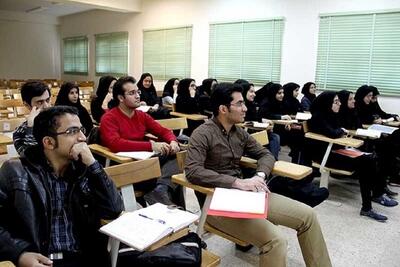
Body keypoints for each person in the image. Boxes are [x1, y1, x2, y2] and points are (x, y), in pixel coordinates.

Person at [185, 83, 332, 267]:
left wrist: (260, 176)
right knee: (276, 240)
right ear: (223, 109)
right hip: (216, 202)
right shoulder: (203, 134)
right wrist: (237, 182)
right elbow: (193, 171)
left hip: (247, 194)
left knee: (308, 216)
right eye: (239, 104)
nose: (245, 108)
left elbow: (266, 154)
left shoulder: (238, 132)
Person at [0, 106, 123, 267]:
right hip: (40, 259)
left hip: (84, 257)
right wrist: (20, 254)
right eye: (72, 131)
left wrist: (94, 165)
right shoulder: (15, 172)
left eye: (81, 130)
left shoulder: (84, 169)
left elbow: (114, 209)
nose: (83, 138)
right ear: (49, 142)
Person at [307, 91, 397, 221]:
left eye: (339, 101)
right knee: (367, 161)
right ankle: (368, 206)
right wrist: (340, 131)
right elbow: (333, 133)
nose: (339, 104)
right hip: (326, 157)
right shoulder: (318, 117)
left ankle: (375, 196)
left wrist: (340, 131)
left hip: (337, 152)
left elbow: (340, 131)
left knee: (371, 158)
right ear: (327, 103)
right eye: (336, 102)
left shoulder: (332, 116)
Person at [100, 76, 181, 206]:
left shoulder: (141, 115)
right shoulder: (109, 118)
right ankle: (161, 188)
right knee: (170, 175)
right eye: (132, 93)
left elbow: (163, 131)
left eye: (138, 92)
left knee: (179, 153)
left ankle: (161, 189)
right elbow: (115, 143)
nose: (137, 96)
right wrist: (151, 145)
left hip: (144, 162)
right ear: (121, 98)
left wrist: (173, 141)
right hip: (124, 167)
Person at [258, 83, 305, 164]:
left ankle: (296, 163)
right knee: (279, 137)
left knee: (299, 135)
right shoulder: (266, 102)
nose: (282, 95)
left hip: (280, 128)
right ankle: (272, 163)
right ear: (273, 93)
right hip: (271, 129)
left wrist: (286, 124)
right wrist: (281, 118)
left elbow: (284, 115)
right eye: (279, 93)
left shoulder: (281, 102)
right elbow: (265, 114)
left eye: (283, 93)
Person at [234, 79, 280, 160]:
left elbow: (256, 118)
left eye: (254, 92)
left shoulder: (252, 105)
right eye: (251, 92)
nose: (254, 94)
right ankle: (270, 161)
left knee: (273, 136)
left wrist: (263, 122)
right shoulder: (238, 106)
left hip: (252, 130)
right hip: (243, 133)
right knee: (273, 137)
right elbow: (242, 122)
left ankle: (270, 161)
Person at [13, 81, 52, 157]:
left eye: (47, 100)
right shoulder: (20, 132)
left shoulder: (60, 122)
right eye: (40, 102)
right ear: (27, 105)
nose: (46, 106)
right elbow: (31, 159)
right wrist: (31, 127)